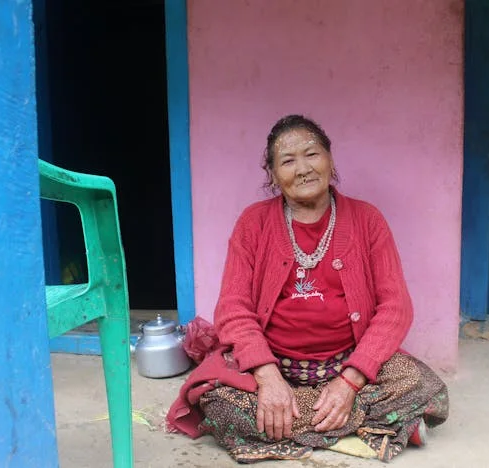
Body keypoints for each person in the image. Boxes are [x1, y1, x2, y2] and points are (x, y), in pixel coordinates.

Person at [166, 115, 448, 463]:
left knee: (424, 385)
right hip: (272, 368)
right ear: (272, 174)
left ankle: (295, 428)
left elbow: (396, 307)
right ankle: (354, 433)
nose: (303, 169)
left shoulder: (367, 220)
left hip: (347, 365)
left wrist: (350, 382)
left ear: (330, 158)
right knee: (217, 403)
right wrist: (268, 378)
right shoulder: (253, 224)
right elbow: (233, 308)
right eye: (287, 161)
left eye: (311, 154)